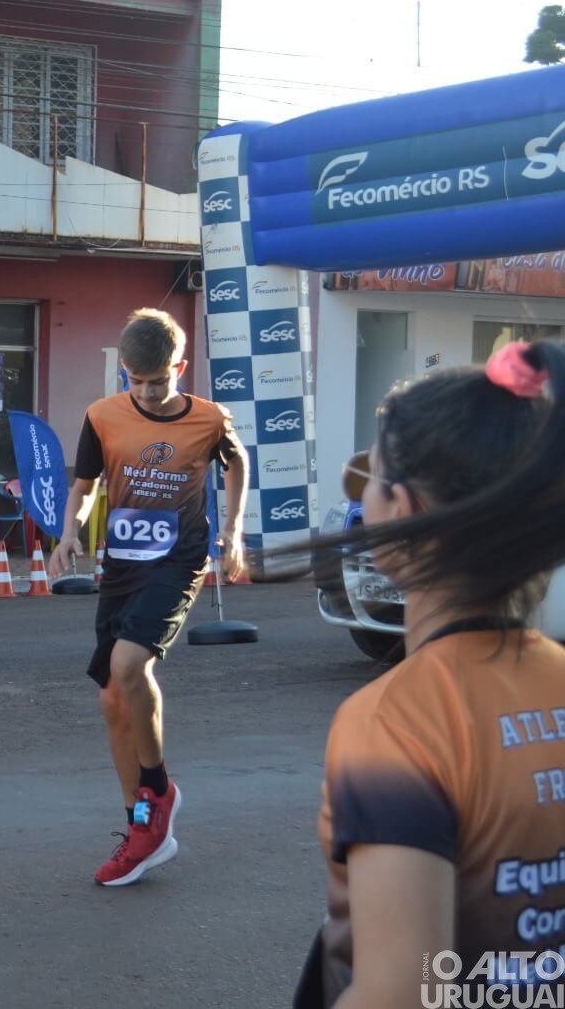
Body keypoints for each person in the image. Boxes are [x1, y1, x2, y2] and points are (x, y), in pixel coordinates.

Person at [292, 341, 565, 1008]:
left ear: (405, 510)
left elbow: (401, 992)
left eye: (373, 479)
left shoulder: (395, 722)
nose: (363, 498)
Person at [49, 307, 248, 887]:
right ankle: (142, 825)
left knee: (130, 663)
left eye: (157, 381)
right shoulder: (102, 417)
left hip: (177, 560)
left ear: (179, 368)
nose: (145, 392)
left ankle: (157, 789)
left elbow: (237, 466)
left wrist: (232, 532)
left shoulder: (209, 420)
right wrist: (69, 534)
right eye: (134, 381)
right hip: (122, 566)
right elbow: (84, 487)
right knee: (113, 700)